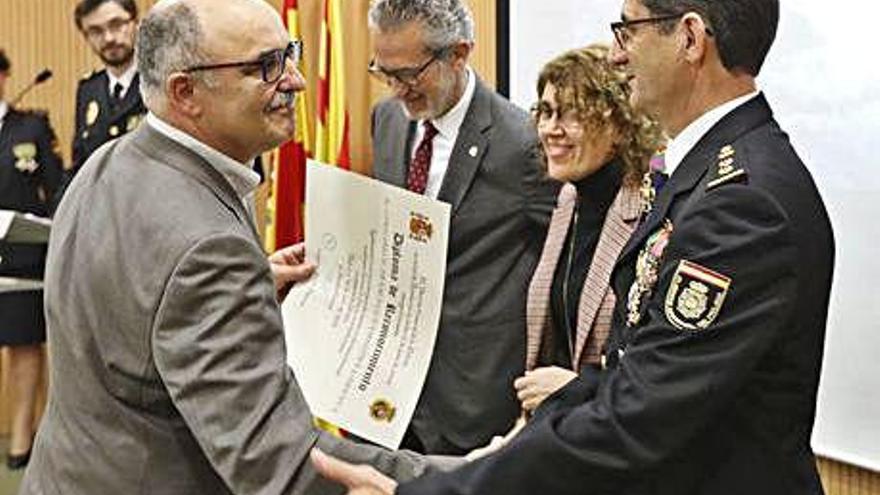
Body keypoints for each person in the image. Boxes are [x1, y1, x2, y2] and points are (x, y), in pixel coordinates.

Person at [313, 0, 836, 493]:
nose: (615, 53)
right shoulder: (705, 174)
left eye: (627, 29)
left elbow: (639, 414)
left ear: (691, 37)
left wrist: (445, 489)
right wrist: (510, 447)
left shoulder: (740, 202)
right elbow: (628, 370)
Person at [19, 1, 439, 492]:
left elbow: (138, 301)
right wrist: (472, 475)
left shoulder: (109, 161)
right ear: (186, 92)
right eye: (265, 66)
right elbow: (285, 467)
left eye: (290, 55)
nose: (296, 81)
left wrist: (249, 284)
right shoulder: (208, 249)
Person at [368, 0, 559, 455]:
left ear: (459, 53)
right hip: (391, 396)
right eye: (384, 72)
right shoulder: (388, 120)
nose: (397, 90)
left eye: (410, 74)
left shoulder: (524, 142)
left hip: (474, 401)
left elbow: (567, 266)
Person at [514, 44, 662, 414]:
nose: (550, 129)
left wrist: (577, 389)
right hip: (559, 433)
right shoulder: (568, 199)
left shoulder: (653, 211)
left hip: (612, 435)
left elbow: (657, 372)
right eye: (545, 112)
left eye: (571, 115)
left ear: (619, 124)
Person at [0, 49, 63, 471]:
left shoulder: (32, 126)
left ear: (4, 75)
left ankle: (22, 437)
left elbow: (57, 187)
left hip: (21, 257)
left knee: (24, 345)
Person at [71, 0, 147, 175]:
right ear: (86, 36)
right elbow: (80, 164)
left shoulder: (159, 79)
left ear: (136, 23)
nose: (109, 38)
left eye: (117, 25)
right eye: (95, 31)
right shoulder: (88, 89)